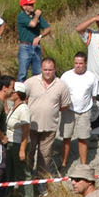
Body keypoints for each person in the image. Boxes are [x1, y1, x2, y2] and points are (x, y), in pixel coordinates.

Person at [25, 56, 69, 185]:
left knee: (45, 156)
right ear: (41, 69)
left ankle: (40, 182)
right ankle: (26, 181)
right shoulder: (31, 82)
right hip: (31, 126)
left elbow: (65, 105)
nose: (48, 72)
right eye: (45, 69)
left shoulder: (61, 85)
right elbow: (22, 97)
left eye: (50, 70)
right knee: (29, 152)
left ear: (55, 69)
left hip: (49, 127)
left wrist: (52, 109)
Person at [59, 52, 99, 170]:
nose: (78, 66)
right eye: (76, 63)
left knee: (83, 138)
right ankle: (63, 163)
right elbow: (60, 93)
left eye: (80, 63)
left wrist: (89, 107)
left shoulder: (91, 77)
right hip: (69, 110)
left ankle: (83, 165)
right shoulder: (66, 76)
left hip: (85, 111)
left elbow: (94, 95)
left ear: (85, 64)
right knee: (66, 137)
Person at [6, 83, 36, 197]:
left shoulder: (24, 109)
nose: (10, 93)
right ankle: (12, 195)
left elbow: (26, 131)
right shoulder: (14, 107)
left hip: (19, 144)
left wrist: (22, 149)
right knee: (11, 170)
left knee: (23, 172)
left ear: (18, 94)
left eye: (12, 91)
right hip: (12, 143)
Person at [15, 0, 50, 81]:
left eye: (32, 4)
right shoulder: (21, 16)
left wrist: (40, 36)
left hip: (36, 46)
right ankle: (20, 92)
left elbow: (48, 28)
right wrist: (37, 16)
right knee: (22, 73)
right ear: (24, 7)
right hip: (25, 46)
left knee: (38, 72)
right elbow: (33, 24)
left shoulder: (36, 16)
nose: (32, 6)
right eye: (29, 4)